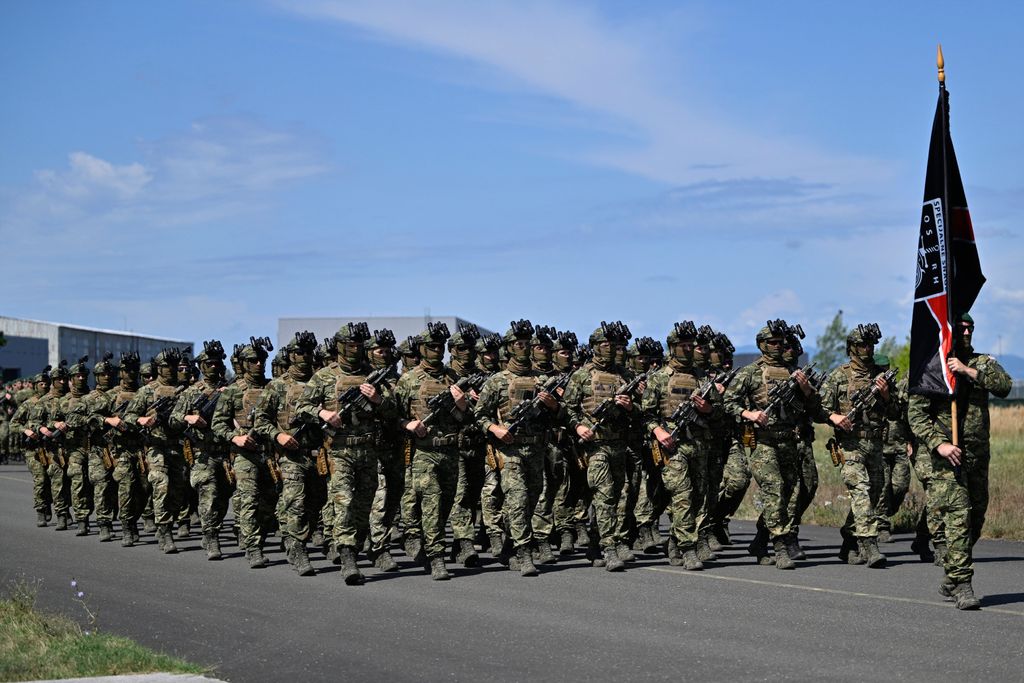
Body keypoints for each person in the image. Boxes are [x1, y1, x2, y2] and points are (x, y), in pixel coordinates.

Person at [908, 312, 1011, 610]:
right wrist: (938, 444)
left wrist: (966, 370)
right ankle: (962, 583)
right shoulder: (931, 368)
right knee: (957, 518)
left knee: (975, 518)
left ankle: (952, 576)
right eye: (961, 328)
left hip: (977, 457)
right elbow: (915, 414)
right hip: (946, 459)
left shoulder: (981, 363)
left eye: (970, 328)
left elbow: (1003, 386)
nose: (966, 332)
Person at [723, 322, 816, 570]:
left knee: (790, 495)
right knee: (774, 491)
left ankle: (760, 542)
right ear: (762, 345)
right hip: (763, 443)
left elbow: (815, 408)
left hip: (789, 442)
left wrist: (806, 389)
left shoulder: (794, 372)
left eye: (781, 343)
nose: (779, 347)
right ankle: (781, 545)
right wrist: (748, 414)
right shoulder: (750, 373)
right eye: (773, 343)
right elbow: (727, 403)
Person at [394, 322, 471, 580]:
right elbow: (391, 417)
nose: (437, 350)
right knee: (432, 503)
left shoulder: (452, 377)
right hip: (424, 453)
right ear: (422, 349)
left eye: (440, 346)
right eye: (431, 346)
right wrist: (409, 424)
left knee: (447, 505)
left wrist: (462, 404)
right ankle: (436, 557)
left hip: (450, 451)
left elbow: (467, 417)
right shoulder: (408, 380)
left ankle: (432, 546)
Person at [819, 324, 896, 568]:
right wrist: (834, 418)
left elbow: (896, 411)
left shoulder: (881, 375)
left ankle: (848, 541)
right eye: (863, 345)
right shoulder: (839, 376)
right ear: (852, 348)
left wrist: (885, 396)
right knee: (860, 491)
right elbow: (819, 407)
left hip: (874, 443)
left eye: (871, 345)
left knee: (872, 495)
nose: (868, 349)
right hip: (849, 444)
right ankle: (869, 545)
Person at [563, 321, 636, 572]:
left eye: (613, 345)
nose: (610, 349)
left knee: (615, 497)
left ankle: (595, 544)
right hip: (594, 447)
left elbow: (640, 413)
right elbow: (567, 409)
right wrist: (577, 426)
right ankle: (609, 547)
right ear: (594, 347)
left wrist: (629, 407)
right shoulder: (582, 375)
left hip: (618, 445)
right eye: (605, 344)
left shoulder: (626, 376)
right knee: (603, 495)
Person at [125, 349, 186, 553]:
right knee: (161, 484)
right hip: (155, 446)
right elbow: (129, 416)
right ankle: (165, 531)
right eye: (168, 366)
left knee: (178, 493)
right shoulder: (147, 391)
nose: (172, 369)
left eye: (174, 366)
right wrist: (141, 420)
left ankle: (166, 523)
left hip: (177, 447)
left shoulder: (184, 391)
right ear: (159, 368)